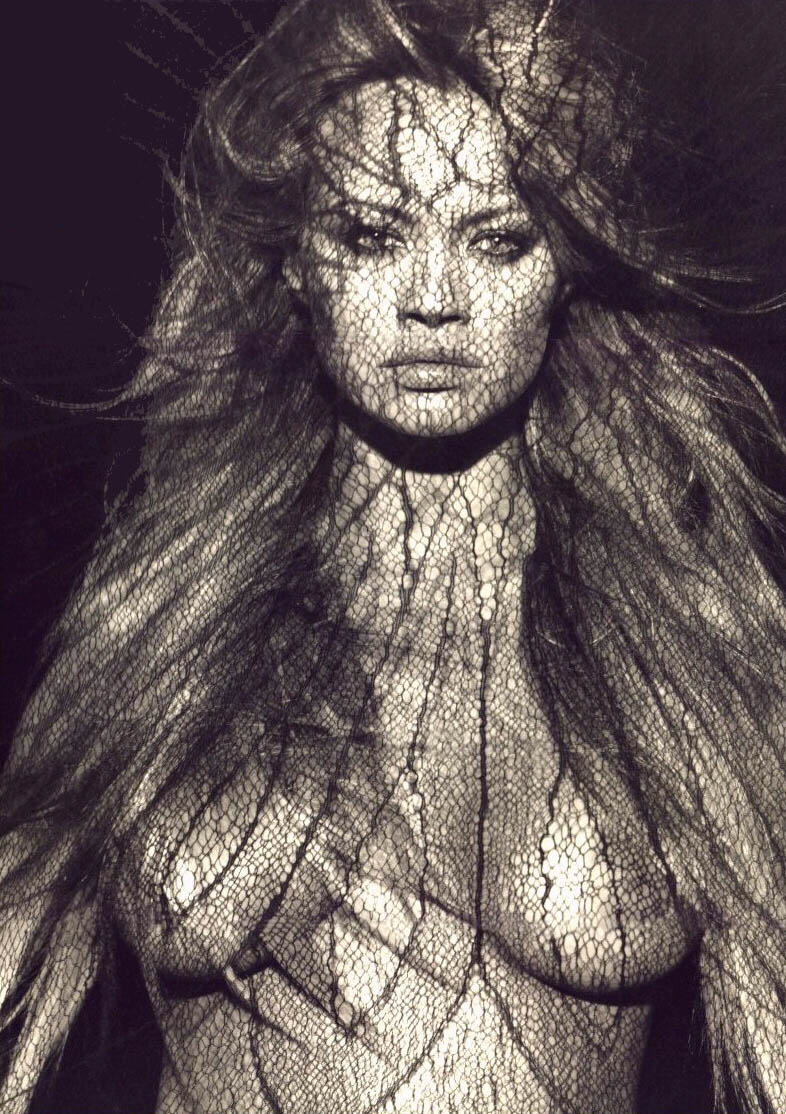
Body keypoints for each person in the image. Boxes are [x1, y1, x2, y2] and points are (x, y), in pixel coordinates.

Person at [2, 0, 785, 1111]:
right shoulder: (162, 620)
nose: (432, 301)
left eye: (498, 239)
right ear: (295, 262)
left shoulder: (683, 637)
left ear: (568, 264)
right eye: (372, 234)